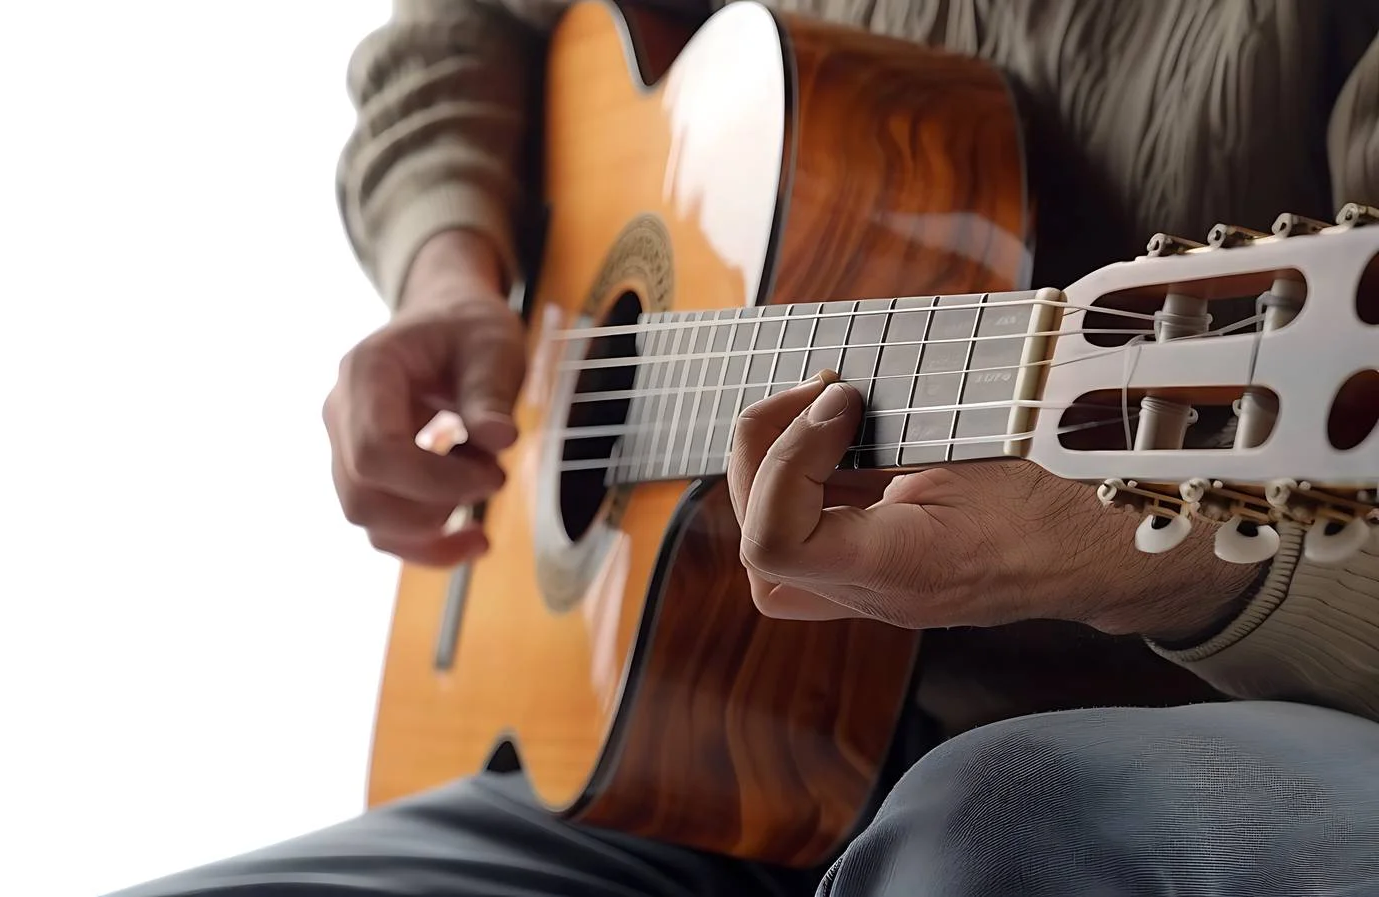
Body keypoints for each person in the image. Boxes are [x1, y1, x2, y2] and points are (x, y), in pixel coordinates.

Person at [110, 2, 1379, 895]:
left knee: (1002, 819)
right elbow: (463, 27)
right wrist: (451, 274)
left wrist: (1140, 558)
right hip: (708, 758)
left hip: (1175, 752)